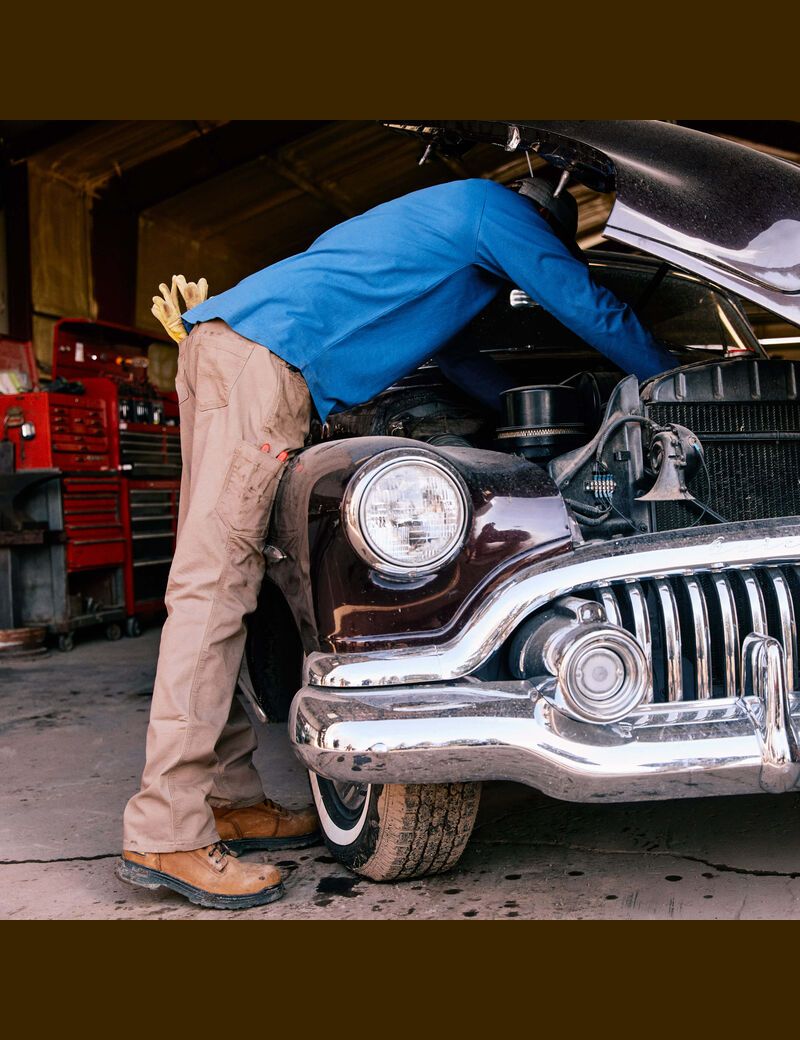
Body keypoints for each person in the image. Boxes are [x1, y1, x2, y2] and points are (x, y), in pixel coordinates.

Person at [118, 175, 673, 910]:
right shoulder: (494, 210)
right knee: (213, 591)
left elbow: (462, 364)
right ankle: (168, 828)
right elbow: (581, 300)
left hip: (241, 356)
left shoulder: (451, 242)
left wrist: (532, 431)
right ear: (546, 221)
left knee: (224, 588)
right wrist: (669, 377)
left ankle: (225, 797)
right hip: (262, 367)